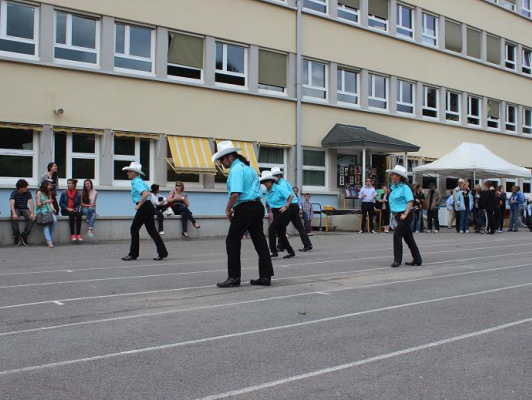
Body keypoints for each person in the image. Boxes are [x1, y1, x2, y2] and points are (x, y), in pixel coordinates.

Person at [212, 141, 273, 288]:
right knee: (260, 242)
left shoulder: (236, 170)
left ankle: (234, 277)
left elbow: (235, 194)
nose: (222, 163)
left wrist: (228, 209)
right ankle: (265, 276)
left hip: (245, 208)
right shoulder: (249, 168)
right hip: (257, 206)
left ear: (230, 157)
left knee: (232, 240)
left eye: (222, 160)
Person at [121, 162, 168, 261]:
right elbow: (149, 194)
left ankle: (133, 254)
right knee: (152, 231)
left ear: (134, 173)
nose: (127, 173)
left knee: (134, 228)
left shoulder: (136, 182)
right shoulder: (140, 181)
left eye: (129, 171)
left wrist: (139, 205)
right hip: (148, 207)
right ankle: (162, 252)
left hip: (144, 207)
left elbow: (145, 194)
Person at [386, 165, 422, 268]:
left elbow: (410, 201)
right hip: (398, 215)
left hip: (405, 214)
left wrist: (405, 214)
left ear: (399, 177)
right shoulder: (394, 188)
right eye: (392, 174)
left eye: (393, 174)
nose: (391, 176)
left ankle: (397, 260)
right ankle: (417, 259)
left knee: (397, 234)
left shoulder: (405, 188)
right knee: (408, 238)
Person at [271, 167, 312, 252]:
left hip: (290, 206)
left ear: (278, 176)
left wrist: (284, 206)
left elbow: (286, 196)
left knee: (281, 225)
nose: (272, 179)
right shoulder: (285, 182)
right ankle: (307, 244)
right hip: (294, 205)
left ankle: (280, 246)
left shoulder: (282, 184)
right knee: (299, 226)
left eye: (273, 177)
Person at [261, 170, 296, 259]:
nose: (265, 183)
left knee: (271, 229)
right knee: (281, 233)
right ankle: (291, 251)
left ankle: (273, 251)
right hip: (275, 212)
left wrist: (286, 206)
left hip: (282, 212)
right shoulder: (267, 191)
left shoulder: (278, 188)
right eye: (263, 182)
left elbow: (291, 195)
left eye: (266, 181)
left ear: (271, 181)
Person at [10, 179, 35, 246]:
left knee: (31, 218)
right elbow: (12, 203)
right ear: (20, 187)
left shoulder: (28, 192)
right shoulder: (14, 192)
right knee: (14, 218)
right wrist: (14, 213)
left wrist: (32, 213)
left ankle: (24, 235)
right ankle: (17, 236)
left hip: (25, 209)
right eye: (25, 187)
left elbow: (31, 203)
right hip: (16, 209)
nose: (27, 188)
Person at [35, 180, 58, 248]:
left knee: (55, 221)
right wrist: (46, 201)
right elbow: (38, 204)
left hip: (49, 210)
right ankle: (49, 241)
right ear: (45, 185)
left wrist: (53, 209)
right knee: (46, 226)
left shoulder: (48, 193)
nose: (50, 186)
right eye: (49, 185)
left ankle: (48, 238)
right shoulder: (39, 192)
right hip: (42, 211)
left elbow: (50, 203)